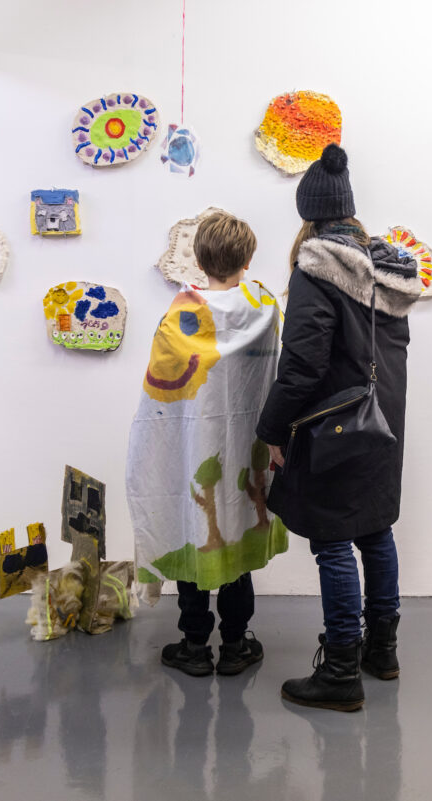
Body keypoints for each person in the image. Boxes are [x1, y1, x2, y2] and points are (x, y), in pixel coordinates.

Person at [256, 144, 425, 711]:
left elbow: (301, 364)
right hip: (384, 421)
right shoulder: (390, 270)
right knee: (376, 531)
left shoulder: (317, 271)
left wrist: (272, 430)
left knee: (332, 543)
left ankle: (339, 673)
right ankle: (383, 651)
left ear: (309, 214)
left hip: (333, 425)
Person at [127, 211, 288, 678]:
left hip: (193, 445)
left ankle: (194, 644)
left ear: (198, 260)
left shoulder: (180, 316)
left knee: (194, 530)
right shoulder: (265, 310)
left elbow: (160, 393)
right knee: (236, 527)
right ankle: (236, 645)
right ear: (249, 258)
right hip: (247, 449)